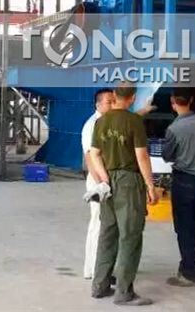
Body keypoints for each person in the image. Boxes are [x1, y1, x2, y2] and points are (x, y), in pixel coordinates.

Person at [88, 83, 158, 306]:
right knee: (130, 236)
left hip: (108, 182)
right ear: (133, 97)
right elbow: (142, 157)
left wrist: (104, 178)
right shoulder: (134, 122)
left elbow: (94, 154)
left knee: (108, 233)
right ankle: (124, 292)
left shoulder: (101, 121)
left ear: (115, 95)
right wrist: (150, 185)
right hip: (129, 182)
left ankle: (100, 286)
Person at [161, 88, 195, 287]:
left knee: (183, 228)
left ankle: (189, 272)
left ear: (172, 101)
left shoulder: (174, 129)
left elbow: (167, 156)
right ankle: (189, 266)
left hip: (183, 181)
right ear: (191, 100)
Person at [81, 88, 114, 280]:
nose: (112, 105)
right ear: (98, 104)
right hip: (98, 181)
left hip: (106, 179)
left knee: (106, 225)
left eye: (114, 101)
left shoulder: (109, 122)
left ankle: (104, 267)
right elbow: (90, 157)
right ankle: (94, 269)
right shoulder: (92, 125)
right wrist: (101, 184)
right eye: (109, 102)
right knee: (98, 223)